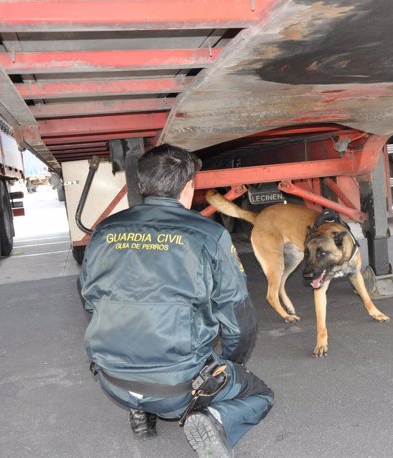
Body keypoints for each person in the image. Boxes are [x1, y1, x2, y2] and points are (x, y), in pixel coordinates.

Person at [79, 144, 273, 457]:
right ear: (188, 186)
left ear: (141, 185)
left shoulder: (104, 231)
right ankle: (213, 419)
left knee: (141, 343)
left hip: (111, 377)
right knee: (261, 395)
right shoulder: (208, 235)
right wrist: (231, 364)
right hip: (178, 387)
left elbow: (89, 301)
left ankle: (140, 408)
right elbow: (239, 317)